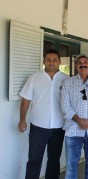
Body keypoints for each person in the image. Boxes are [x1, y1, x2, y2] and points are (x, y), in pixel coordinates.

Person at [18, 49, 69, 179]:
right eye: (48, 60)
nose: (51, 62)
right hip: (38, 127)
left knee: (53, 161)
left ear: (60, 62)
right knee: (34, 159)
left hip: (58, 127)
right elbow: (25, 100)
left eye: (54, 60)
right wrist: (22, 120)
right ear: (44, 61)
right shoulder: (35, 78)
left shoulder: (66, 79)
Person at [61, 54, 88, 179]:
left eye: (85, 61)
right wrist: (79, 121)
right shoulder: (68, 82)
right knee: (71, 166)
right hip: (73, 130)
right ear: (76, 66)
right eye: (79, 62)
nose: (83, 64)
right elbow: (65, 106)